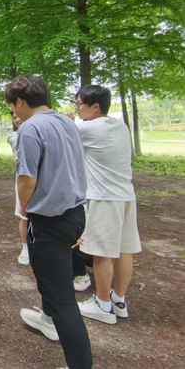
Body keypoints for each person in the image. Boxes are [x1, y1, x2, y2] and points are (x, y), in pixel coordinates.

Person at [5, 76, 92, 369]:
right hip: (75, 213)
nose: (13, 111)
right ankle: (48, 318)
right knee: (56, 285)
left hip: (50, 221)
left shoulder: (29, 129)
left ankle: (79, 364)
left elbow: (27, 179)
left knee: (62, 300)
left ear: (20, 101)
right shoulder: (67, 122)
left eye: (12, 105)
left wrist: (26, 208)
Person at [71, 85, 142, 324]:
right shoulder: (120, 126)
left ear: (95, 106)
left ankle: (102, 305)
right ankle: (118, 300)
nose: (77, 109)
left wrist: (69, 121)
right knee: (123, 250)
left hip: (104, 198)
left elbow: (64, 132)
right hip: (126, 196)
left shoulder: (89, 128)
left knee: (101, 253)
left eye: (79, 104)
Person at [7, 111, 28, 265]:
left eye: (20, 116)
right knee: (24, 216)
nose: (17, 120)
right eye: (14, 118)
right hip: (22, 181)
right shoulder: (14, 137)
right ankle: (25, 248)